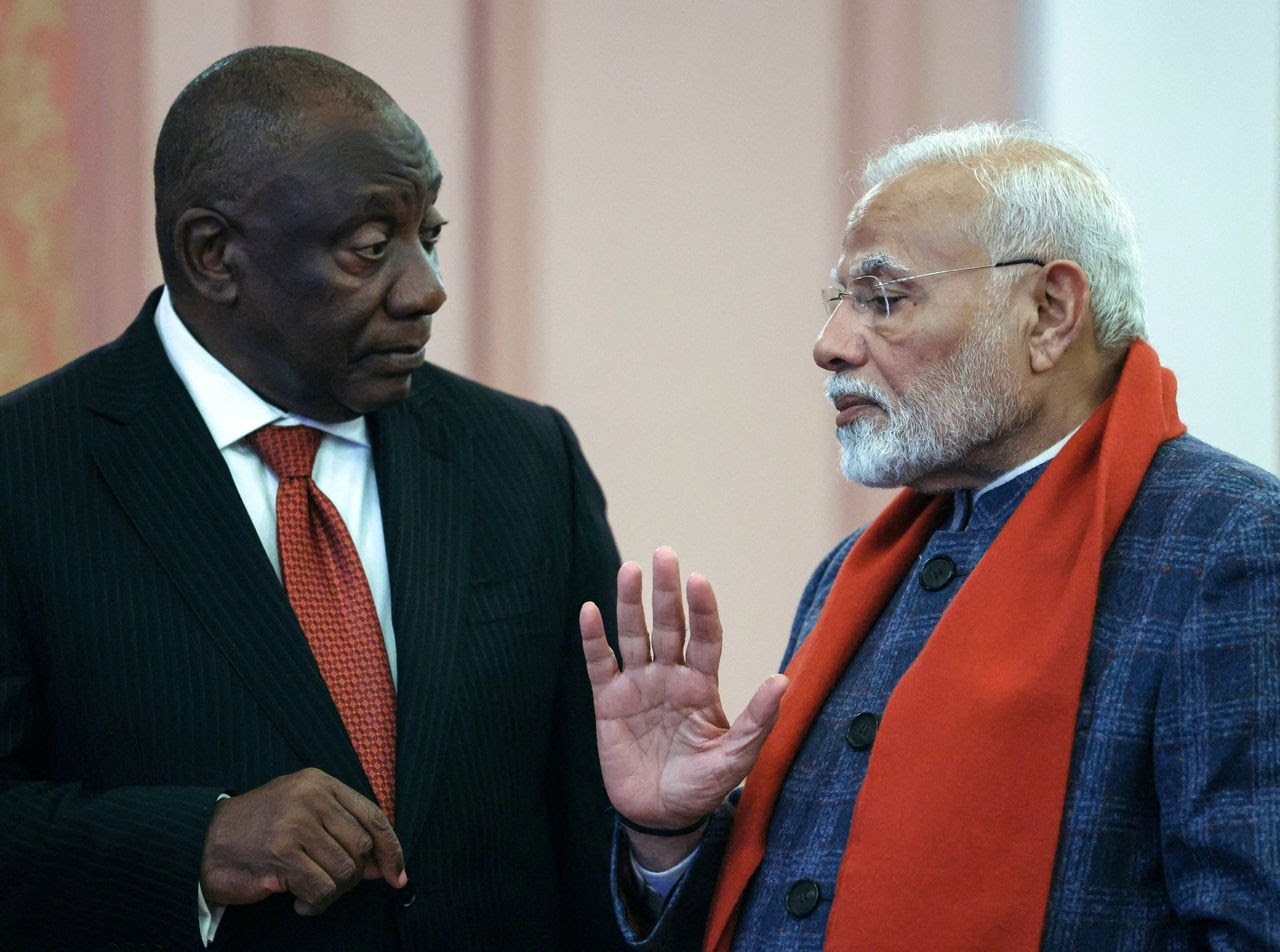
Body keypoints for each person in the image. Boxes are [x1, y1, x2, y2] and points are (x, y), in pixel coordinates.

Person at [579, 123, 1280, 950]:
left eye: (884, 298)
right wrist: (671, 836)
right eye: (837, 301)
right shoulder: (855, 571)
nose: (830, 344)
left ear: (1050, 313)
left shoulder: (1231, 545)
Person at [0, 47, 626, 951]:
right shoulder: (28, 470)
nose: (425, 289)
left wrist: (669, 833)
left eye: (428, 234)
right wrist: (197, 843)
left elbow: (593, 818)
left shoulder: (525, 460)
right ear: (213, 255)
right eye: (371, 248)